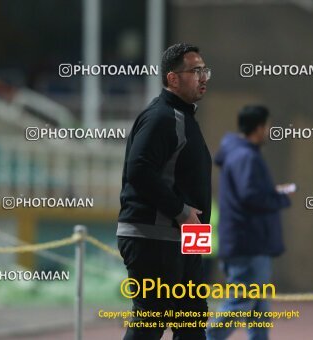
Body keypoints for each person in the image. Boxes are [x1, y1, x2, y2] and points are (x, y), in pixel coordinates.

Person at [116, 43, 212, 340]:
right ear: (173, 78)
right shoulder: (162, 117)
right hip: (156, 237)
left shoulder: (185, 118)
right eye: (196, 71)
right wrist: (181, 211)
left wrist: (194, 233)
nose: (203, 77)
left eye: (205, 70)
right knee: (150, 324)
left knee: (193, 323)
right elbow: (139, 170)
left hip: (185, 237)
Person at [206, 105, 292, 340]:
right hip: (248, 246)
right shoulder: (246, 156)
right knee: (238, 305)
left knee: (258, 313)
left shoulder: (240, 154)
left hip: (247, 245)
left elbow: (250, 192)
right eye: (268, 126)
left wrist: (271, 193)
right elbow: (251, 196)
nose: (269, 131)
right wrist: (279, 197)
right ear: (259, 127)